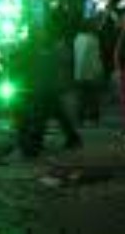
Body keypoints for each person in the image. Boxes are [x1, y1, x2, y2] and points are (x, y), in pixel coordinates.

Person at [16, 14, 82, 158]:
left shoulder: (48, 48)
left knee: (44, 115)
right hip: (43, 86)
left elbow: (29, 65)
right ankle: (71, 138)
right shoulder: (42, 47)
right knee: (54, 113)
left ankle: (37, 144)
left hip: (43, 86)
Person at [73, 18, 104, 125]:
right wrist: (99, 71)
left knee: (81, 97)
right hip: (91, 73)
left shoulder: (77, 39)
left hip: (79, 72)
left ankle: (80, 118)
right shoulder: (94, 39)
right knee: (93, 97)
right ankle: (94, 118)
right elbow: (96, 57)